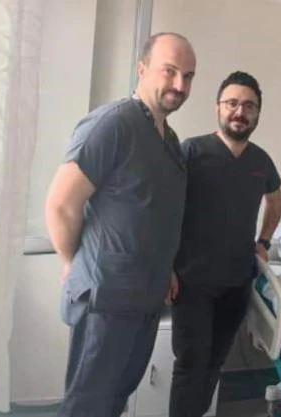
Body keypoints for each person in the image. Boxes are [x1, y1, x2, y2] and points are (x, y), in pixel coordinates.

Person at [45, 32, 196, 416]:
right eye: (170, 71)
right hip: (108, 299)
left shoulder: (170, 140)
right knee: (88, 405)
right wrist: (71, 263)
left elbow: (155, 211)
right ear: (142, 69)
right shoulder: (113, 124)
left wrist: (167, 268)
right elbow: (61, 204)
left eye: (188, 76)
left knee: (117, 399)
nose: (180, 84)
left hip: (147, 299)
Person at [170, 71, 281, 417]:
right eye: (232, 103)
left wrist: (264, 241)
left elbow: (275, 200)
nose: (239, 111)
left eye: (249, 105)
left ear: (258, 114)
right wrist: (165, 266)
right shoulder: (192, 151)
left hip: (237, 281)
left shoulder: (261, 161)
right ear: (218, 108)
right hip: (192, 281)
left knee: (215, 364)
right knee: (190, 365)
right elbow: (164, 207)